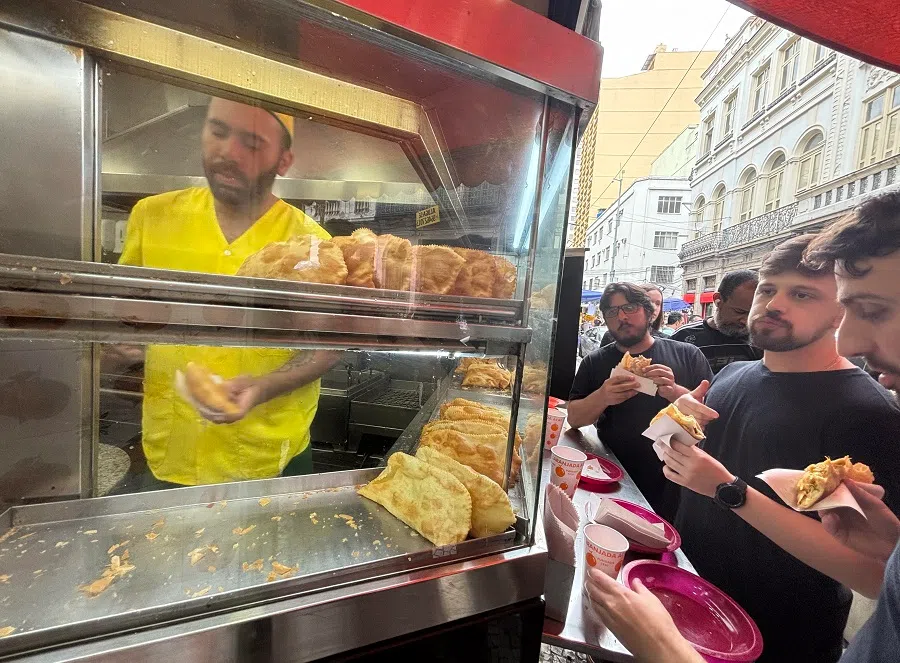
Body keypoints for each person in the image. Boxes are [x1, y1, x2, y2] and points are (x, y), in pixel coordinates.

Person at [584, 213, 900, 663]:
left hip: (779, 632)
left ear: (840, 311)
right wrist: (675, 424)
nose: (773, 304)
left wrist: (726, 488)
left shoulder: (868, 411)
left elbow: (876, 575)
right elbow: (695, 467)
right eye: (768, 289)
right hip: (685, 593)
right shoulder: (733, 375)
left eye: (802, 295)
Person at [116, 97, 340, 489]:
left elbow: (329, 344)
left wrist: (263, 386)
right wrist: (121, 340)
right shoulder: (153, 218)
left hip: (268, 458)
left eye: (251, 144)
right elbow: (121, 311)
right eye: (218, 132)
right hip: (171, 451)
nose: (227, 152)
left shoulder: (313, 245)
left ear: (283, 161)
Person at [567, 282, 712, 521]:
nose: (622, 316)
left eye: (630, 307)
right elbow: (574, 419)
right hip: (614, 475)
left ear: (649, 312)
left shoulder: (687, 355)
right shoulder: (594, 362)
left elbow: (712, 414)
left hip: (677, 479)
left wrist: (674, 391)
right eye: (612, 312)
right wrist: (602, 396)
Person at [671, 270, 763, 373]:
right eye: (739, 311)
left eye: (752, 314)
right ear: (717, 300)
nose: (745, 321)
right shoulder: (683, 336)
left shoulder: (760, 340)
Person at [599, 283, 664, 346]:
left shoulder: (670, 347)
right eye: (650, 301)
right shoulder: (608, 341)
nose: (654, 307)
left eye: (658, 303)